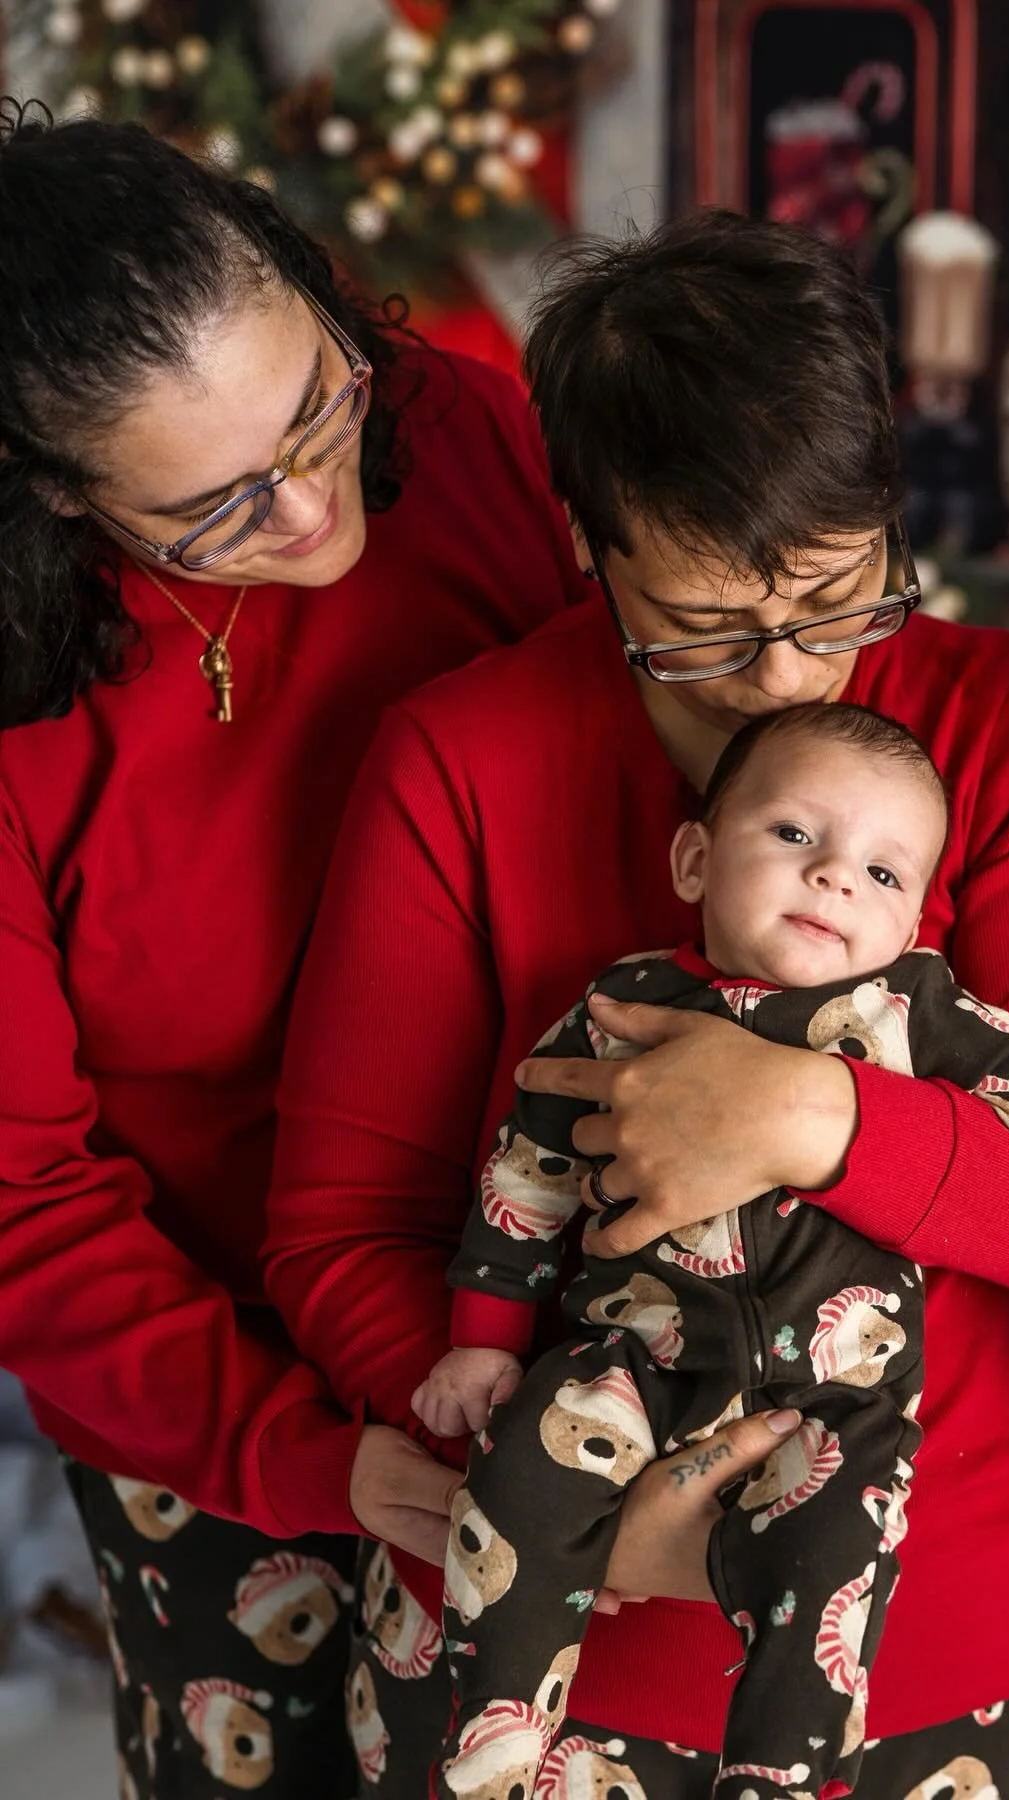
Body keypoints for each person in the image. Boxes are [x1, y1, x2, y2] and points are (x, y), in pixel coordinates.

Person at [264, 209, 1009, 1800]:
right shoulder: (460, 759)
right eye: (707, 623)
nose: (789, 678)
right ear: (586, 540)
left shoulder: (996, 722)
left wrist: (814, 1116)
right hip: (537, 1656)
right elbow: (339, 1228)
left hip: (933, 1644)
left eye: (843, 594)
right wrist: (558, 1499)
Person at [0, 100, 585, 1800]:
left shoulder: (466, 434)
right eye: (219, 506)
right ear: (50, 496)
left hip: (531, 1305)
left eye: (321, 405)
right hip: (214, 1382)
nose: (318, 506)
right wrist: (305, 1455)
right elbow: (24, 1202)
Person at [418, 702, 1009, 1800]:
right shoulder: (619, 1009)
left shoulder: (915, 1012)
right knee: (521, 1471)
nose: (839, 878)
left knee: (834, 1563)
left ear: (916, 922)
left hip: (840, 1400)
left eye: (885, 874)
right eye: (796, 837)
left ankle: (784, 1780)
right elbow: (525, 1180)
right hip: (631, 1364)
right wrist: (485, 1342)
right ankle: (493, 1747)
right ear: (696, 859)